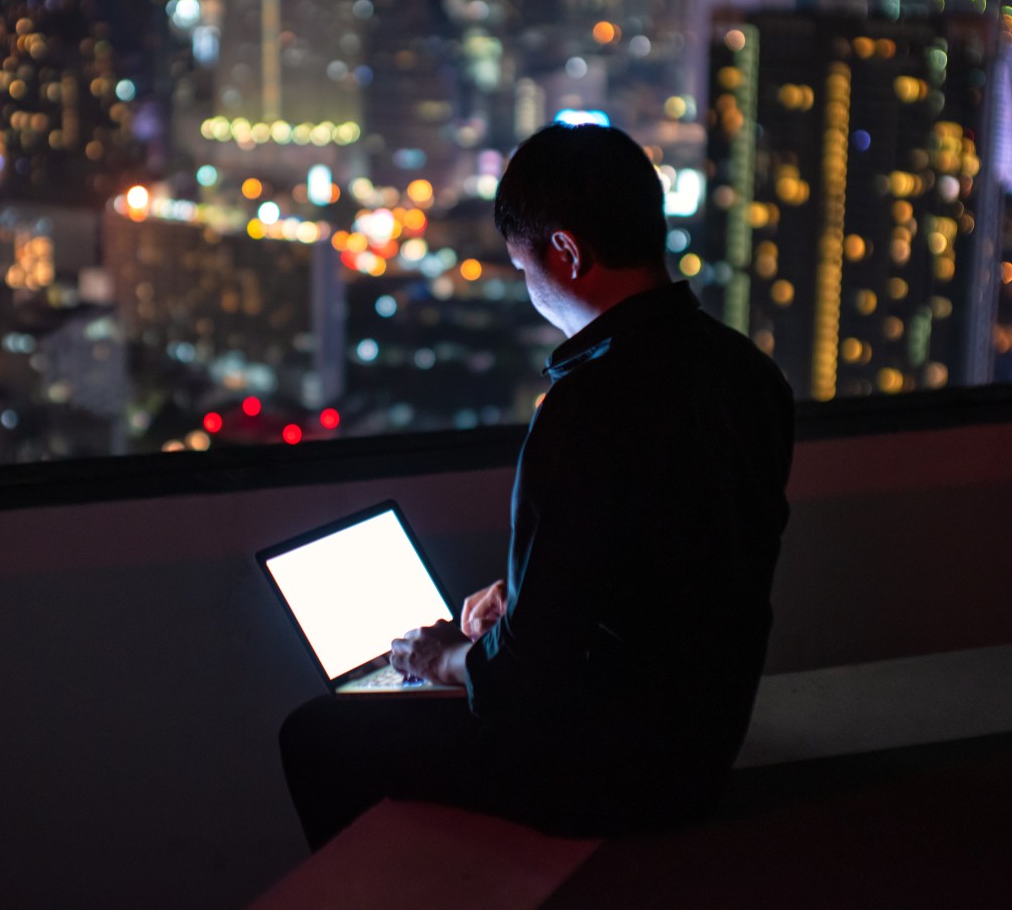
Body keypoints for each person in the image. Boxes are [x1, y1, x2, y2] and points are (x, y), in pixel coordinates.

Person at [279, 123, 795, 850]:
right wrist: (524, 606)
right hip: (707, 740)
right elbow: (668, 574)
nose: (527, 287)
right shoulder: (748, 373)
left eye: (523, 267)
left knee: (316, 734)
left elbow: (524, 685)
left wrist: (441, 657)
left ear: (567, 252)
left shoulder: (588, 407)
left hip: (610, 768)